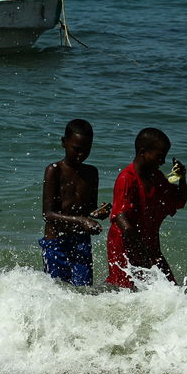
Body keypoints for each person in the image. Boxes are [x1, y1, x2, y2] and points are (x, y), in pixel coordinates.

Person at [106, 127, 187, 288]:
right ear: (143, 152)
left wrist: (182, 179)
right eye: (159, 156)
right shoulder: (127, 178)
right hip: (124, 245)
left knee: (171, 289)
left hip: (150, 245)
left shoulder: (157, 178)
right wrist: (143, 255)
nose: (162, 162)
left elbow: (179, 201)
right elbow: (121, 217)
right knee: (126, 291)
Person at [39, 118, 111, 285]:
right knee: (55, 291)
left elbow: (89, 210)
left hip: (81, 242)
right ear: (64, 143)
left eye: (87, 150)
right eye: (77, 149)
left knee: (84, 291)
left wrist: (99, 213)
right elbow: (47, 214)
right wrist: (81, 220)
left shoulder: (92, 173)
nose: (81, 154)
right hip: (56, 242)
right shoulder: (54, 171)